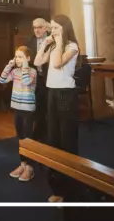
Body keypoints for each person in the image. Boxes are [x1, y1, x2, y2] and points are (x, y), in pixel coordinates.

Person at [34, 14, 79, 206]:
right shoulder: (53, 43)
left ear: (65, 28)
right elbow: (37, 62)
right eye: (51, 28)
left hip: (66, 96)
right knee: (52, 140)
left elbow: (58, 63)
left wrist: (59, 41)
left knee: (66, 141)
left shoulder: (72, 47)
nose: (53, 31)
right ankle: (57, 189)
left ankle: (70, 191)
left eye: (56, 28)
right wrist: (46, 44)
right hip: (52, 94)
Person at [0, 46, 37, 182]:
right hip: (17, 108)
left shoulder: (32, 71)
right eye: (16, 57)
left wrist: (25, 67)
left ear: (28, 59)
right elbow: (2, 80)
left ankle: (30, 167)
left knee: (28, 138)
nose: (17, 59)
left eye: (20, 57)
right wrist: (9, 65)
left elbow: (27, 82)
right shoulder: (14, 71)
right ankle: (23, 164)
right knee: (20, 138)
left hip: (28, 109)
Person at [26, 18, 50, 142]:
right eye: (34, 27)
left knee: (47, 108)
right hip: (36, 79)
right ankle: (38, 135)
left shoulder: (52, 40)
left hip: (50, 78)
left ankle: (46, 136)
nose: (36, 30)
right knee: (37, 107)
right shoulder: (30, 40)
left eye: (39, 27)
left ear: (45, 28)